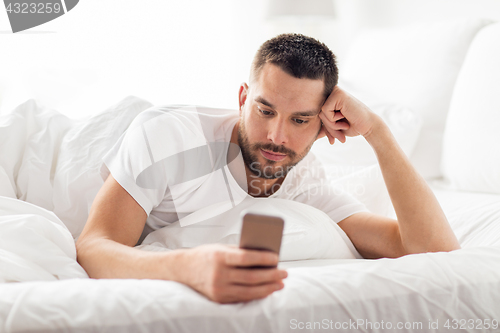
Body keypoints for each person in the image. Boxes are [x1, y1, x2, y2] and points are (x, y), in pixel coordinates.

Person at [76, 33, 460, 304]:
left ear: (323, 124)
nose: (277, 137)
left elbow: (431, 248)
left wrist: (377, 132)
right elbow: (93, 246)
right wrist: (184, 268)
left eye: (300, 120)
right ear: (243, 98)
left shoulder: (305, 184)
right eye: (265, 110)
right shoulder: (170, 136)